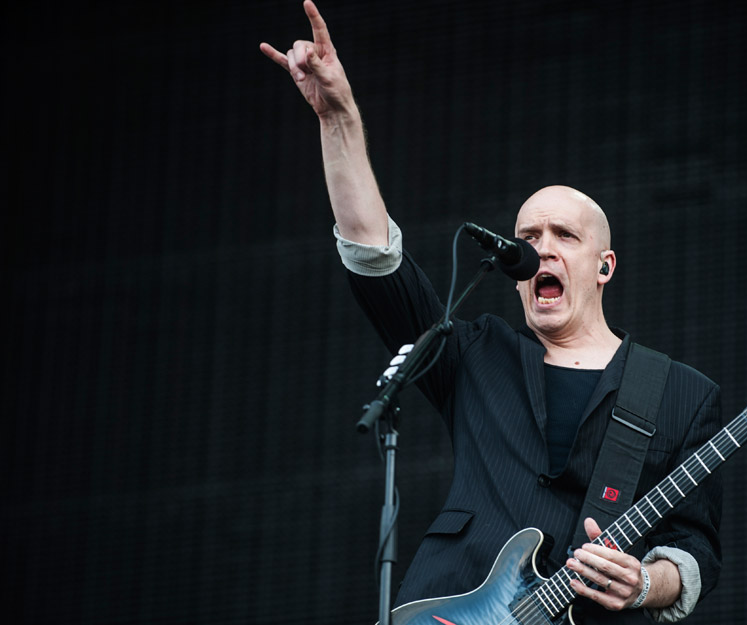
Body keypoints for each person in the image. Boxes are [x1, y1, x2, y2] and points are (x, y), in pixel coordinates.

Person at [260, 3, 722, 622]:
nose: (542, 248)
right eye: (529, 236)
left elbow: (696, 549)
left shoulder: (678, 393)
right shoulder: (477, 353)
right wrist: (338, 118)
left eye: (564, 235)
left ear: (605, 266)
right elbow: (376, 257)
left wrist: (645, 582)